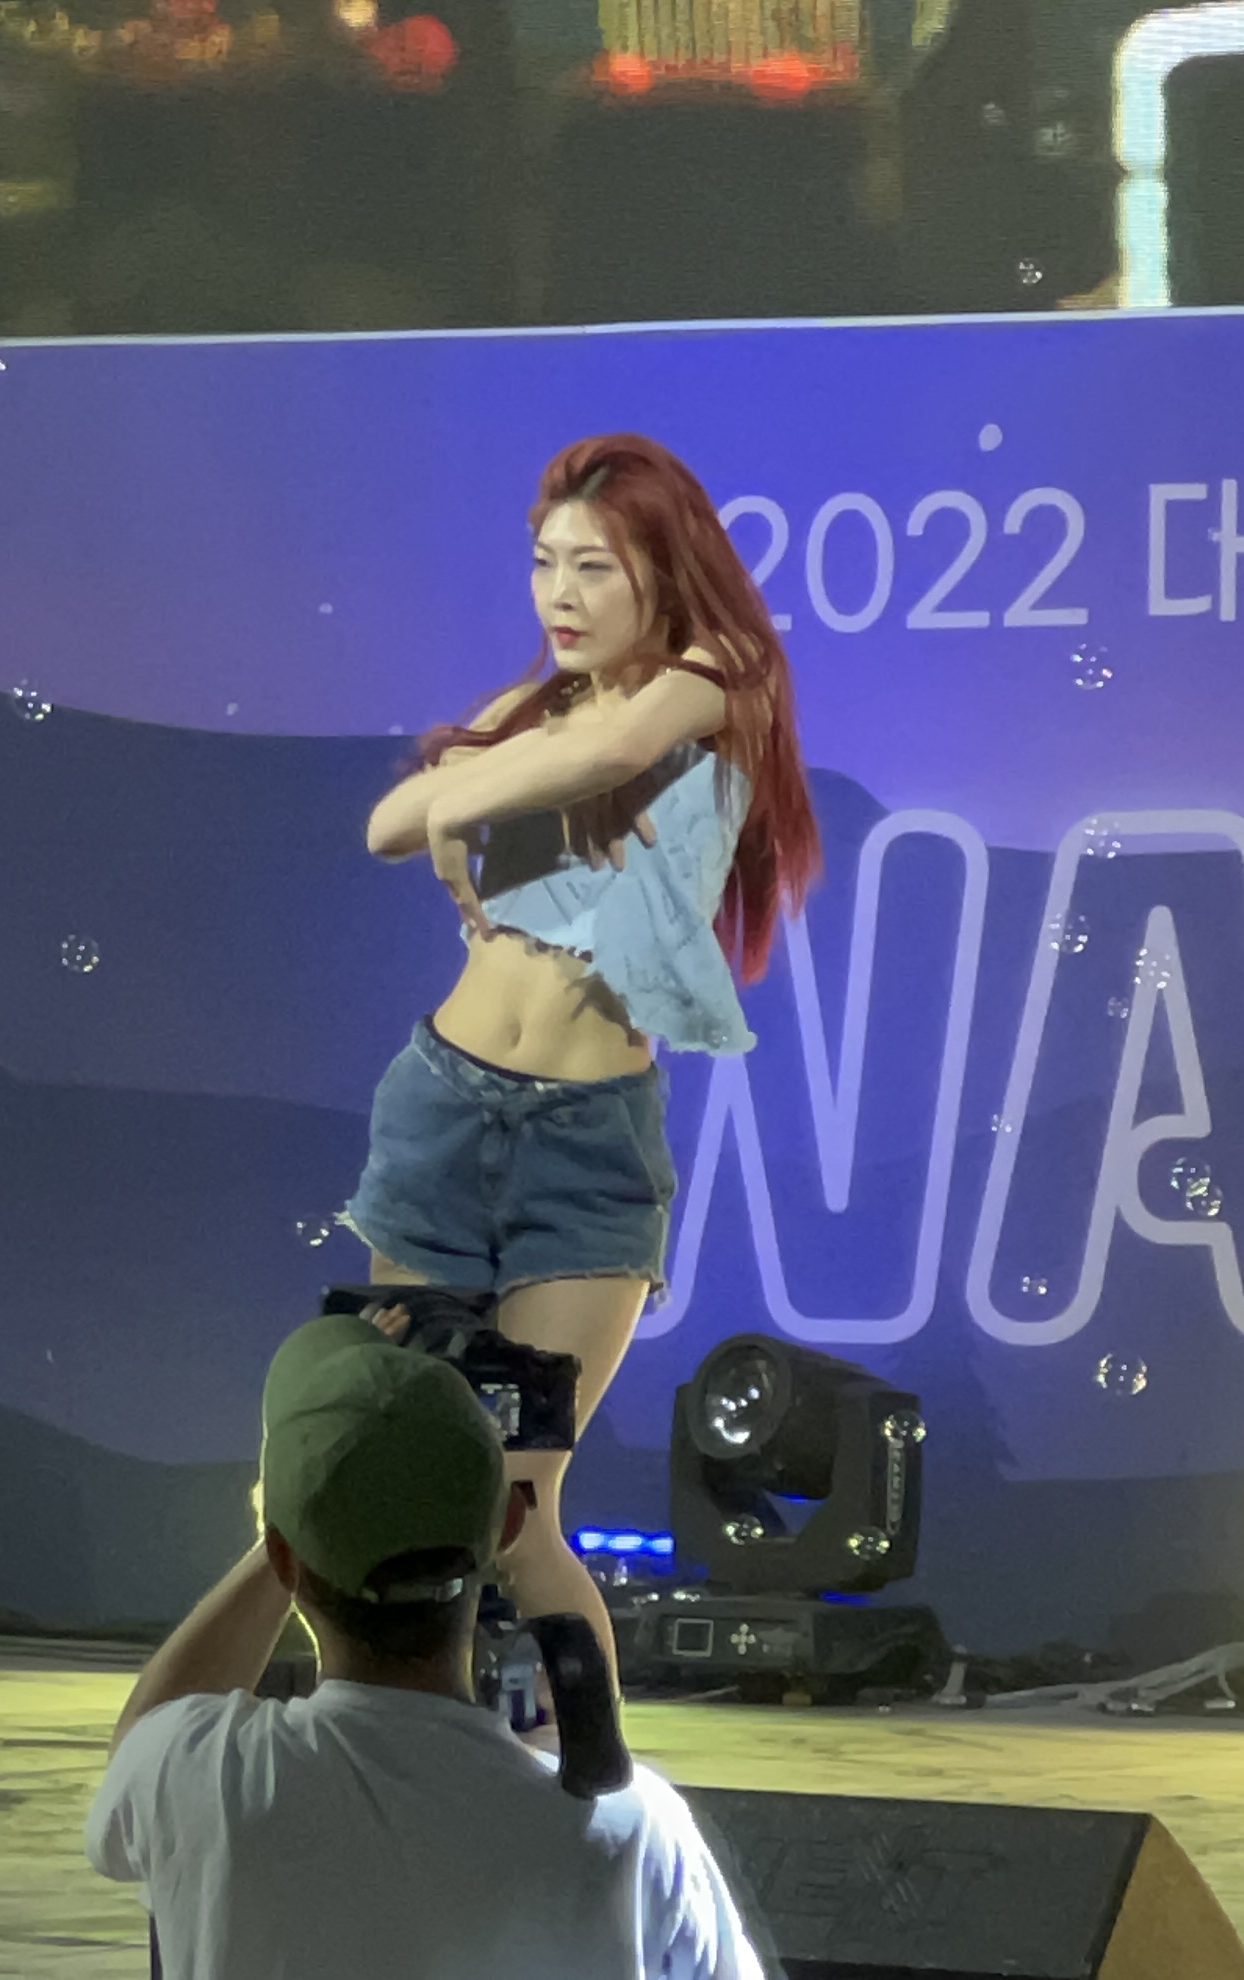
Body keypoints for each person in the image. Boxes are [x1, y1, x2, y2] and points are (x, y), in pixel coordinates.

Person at [351, 433, 818, 1686]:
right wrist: (471, 782)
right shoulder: (535, 710)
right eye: (543, 563)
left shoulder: (722, 676)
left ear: (664, 568)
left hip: (583, 1146)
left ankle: (588, 1773)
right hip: (441, 1109)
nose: (558, 596)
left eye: (593, 568)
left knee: (515, 1505)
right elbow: (387, 823)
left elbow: (606, 759)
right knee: (411, 1483)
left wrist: (468, 791)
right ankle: (421, 1741)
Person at [85, 1308, 767, 1979]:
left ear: (285, 1558)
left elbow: (144, 1737)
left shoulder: (203, 1784)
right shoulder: (632, 1830)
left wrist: (317, 1475)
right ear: (508, 1524)